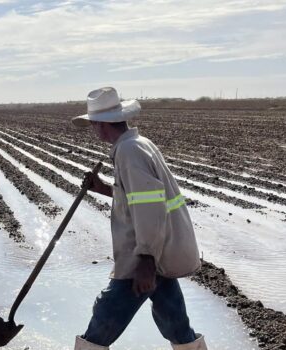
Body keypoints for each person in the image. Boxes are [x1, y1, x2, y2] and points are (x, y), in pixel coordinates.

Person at [71, 87, 207, 350]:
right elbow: (140, 198)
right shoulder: (138, 144)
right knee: (176, 323)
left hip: (144, 257)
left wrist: (145, 259)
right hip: (159, 252)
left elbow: (150, 207)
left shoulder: (129, 152)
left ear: (100, 125)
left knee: (104, 319)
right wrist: (103, 189)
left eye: (92, 125)